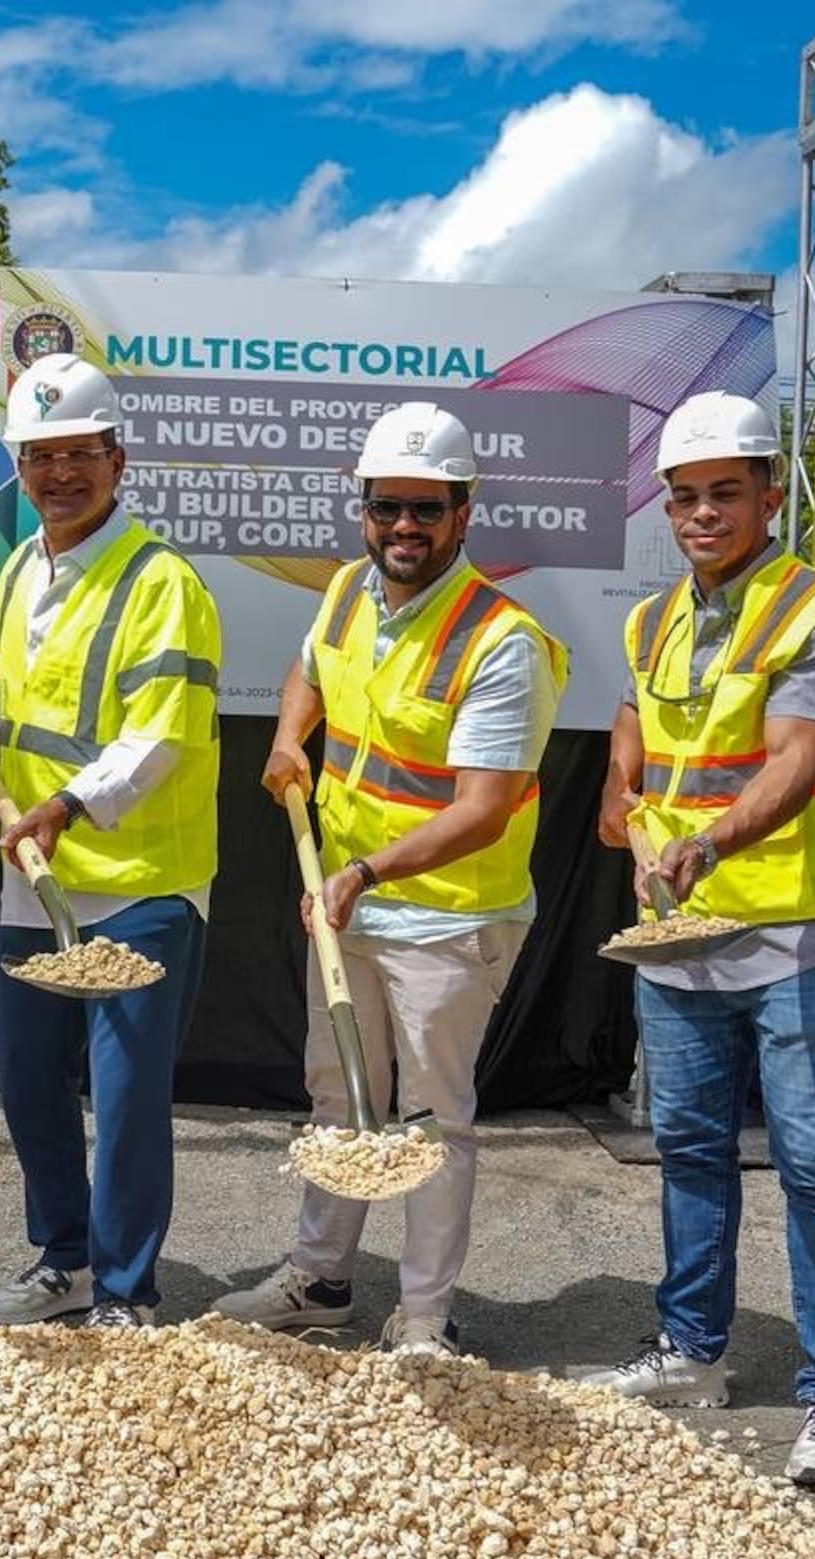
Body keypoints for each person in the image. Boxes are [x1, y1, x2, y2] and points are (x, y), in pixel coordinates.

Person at [581, 391, 815, 1494]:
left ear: (772, 493)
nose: (703, 512)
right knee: (691, 1150)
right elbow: (634, 718)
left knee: (814, 1168)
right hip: (681, 932)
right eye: (684, 496)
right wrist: (622, 795)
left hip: (801, 930)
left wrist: (703, 841)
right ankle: (690, 1347)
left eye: (725, 492)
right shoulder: (653, 615)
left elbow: (795, 759)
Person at [213, 402, 566, 1357]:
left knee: (430, 1120)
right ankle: (320, 1281)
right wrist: (290, 735)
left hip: (450, 918)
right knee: (338, 1097)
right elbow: (310, 670)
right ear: (360, 509)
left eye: (424, 509)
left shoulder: (502, 640)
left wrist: (362, 870)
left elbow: (482, 808)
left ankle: (422, 1317)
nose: (402, 528)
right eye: (385, 509)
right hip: (349, 901)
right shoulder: (347, 594)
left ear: (463, 514)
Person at [0, 352, 220, 1332]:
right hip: (36, 881)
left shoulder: (162, 581)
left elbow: (159, 733)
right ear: (17, 467)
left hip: (141, 883)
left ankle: (125, 1289)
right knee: (32, 1090)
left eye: (77, 455)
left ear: (118, 457)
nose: (58, 475)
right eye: (37, 457)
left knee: (128, 1103)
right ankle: (63, 1259)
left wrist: (61, 804)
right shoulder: (20, 563)